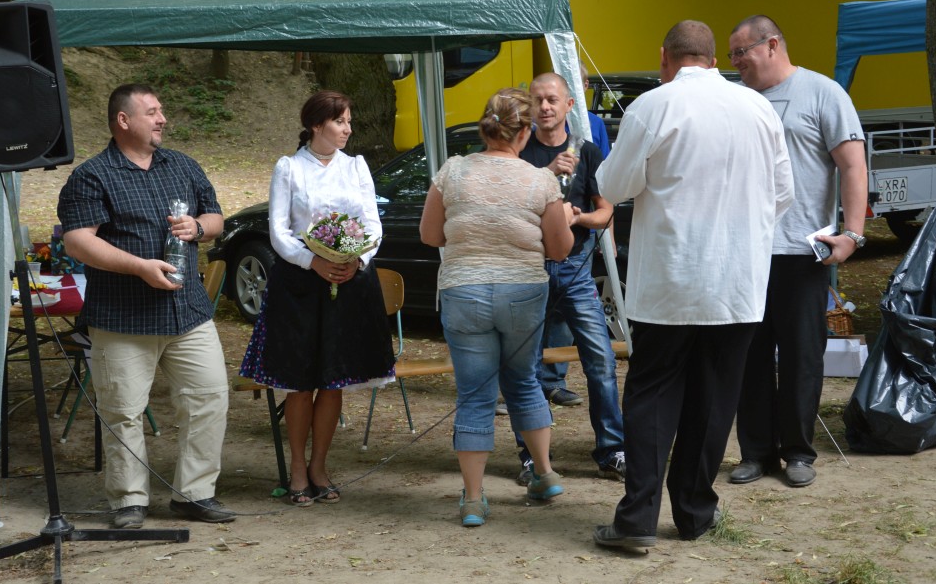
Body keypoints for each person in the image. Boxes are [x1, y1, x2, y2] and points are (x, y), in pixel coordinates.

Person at [593, 20, 793, 548]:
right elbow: (782, 194)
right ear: (713, 58)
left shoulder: (654, 105)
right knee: (715, 398)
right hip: (737, 281)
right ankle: (695, 512)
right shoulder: (758, 108)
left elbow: (613, 184)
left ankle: (637, 518)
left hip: (672, 279)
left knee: (653, 395)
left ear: (665, 56)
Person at [58, 83, 233, 529]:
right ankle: (129, 500)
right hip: (124, 317)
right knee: (123, 412)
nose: (162, 119)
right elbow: (78, 241)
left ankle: (194, 494)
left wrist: (197, 227)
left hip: (188, 313)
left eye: (161, 111)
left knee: (208, 399)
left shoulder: (183, 165)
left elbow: (216, 218)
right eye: (152, 112)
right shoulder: (92, 176)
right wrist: (139, 267)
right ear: (123, 120)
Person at [419, 87, 574, 527]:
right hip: (523, 292)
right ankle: (544, 474)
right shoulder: (540, 179)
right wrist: (561, 220)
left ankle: (472, 499)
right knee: (524, 381)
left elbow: (430, 235)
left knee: (474, 394)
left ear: (485, 127)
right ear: (524, 132)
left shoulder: (453, 171)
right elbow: (560, 250)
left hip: (464, 290)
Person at [727, 15, 868, 489]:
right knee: (748, 355)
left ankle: (799, 453)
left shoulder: (823, 93)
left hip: (803, 252)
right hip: (746, 251)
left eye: (741, 52)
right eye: (731, 55)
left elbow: (853, 166)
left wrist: (852, 235)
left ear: (771, 45)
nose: (735, 62)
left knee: (801, 357)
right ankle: (756, 452)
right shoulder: (737, 99)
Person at [239, 90, 395, 507]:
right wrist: (314, 262)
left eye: (349, 122)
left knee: (333, 380)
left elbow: (372, 224)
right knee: (300, 382)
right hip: (300, 286)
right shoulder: (289, 168)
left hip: (349, 282)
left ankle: (319, 467)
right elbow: (279, 232)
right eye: (340, 121)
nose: (348, 129)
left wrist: (355, 260)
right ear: (315, 125)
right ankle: (296, 468)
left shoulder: (356, 166)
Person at [515, 72, 627, 485]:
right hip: (529, 268)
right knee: (525, 365)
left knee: (600, 359)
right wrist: (547, 172)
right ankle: (532, 458)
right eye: (537, 100)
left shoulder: (587, 151)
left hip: (575, 269)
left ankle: (611, 450)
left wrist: (578, 219)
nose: (545, 107)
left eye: (552, 99)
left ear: (569, 105)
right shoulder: (518, 150)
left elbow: (606, 211)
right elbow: (510, 208)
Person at [580, 62, 611, 158]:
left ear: (585, 85)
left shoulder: (597, 123)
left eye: (573, 84)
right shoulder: (545, 123)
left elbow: (604, 162)